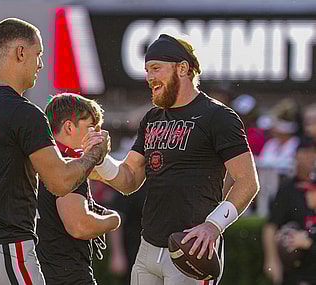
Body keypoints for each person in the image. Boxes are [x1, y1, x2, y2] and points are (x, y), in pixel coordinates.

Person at [88, 34, 260, 285]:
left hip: (192, 249)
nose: (149, 78)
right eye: (147, 70)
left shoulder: (218, 116)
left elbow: (248, 181)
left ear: (182, 69)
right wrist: (101, 160)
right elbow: (130, 180)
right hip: (148, 246)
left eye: (156, 68)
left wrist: (213, 226)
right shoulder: (152, 118)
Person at [0, 18, 108, 285]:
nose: (41, 64)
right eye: (38, 54)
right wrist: (94, 154)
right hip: (5, 248)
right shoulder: (23, 112)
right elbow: (59, 183)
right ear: (20, 53)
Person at [36, 93, 121, 285]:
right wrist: (113, 220)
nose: (96, 134)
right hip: (67, 275)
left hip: (34, 272)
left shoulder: (35, 161)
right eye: (91, 127)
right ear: (69, 127)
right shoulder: (69, 166)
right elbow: (79, 226)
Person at [263, 138, 316, 285]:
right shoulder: (287, 189)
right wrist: (272, 260)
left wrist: (308, 242)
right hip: (295, 267)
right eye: (305, 153)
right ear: (296, 156)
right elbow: (271, 226)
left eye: (313, 154)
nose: (310, 158)